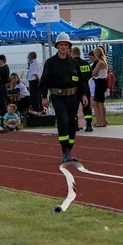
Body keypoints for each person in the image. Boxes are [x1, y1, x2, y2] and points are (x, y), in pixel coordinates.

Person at [39, 32, 89, 163]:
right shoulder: (50, 63)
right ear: (57, 46)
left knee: (72, 123)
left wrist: (83, 94)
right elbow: (44, 81)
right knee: (63, 121)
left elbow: (82, 81)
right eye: (61, 44)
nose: (63, 47)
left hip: (73, 97)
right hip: (58, 97)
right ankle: (64, 151)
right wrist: (44, 97)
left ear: (69, 47)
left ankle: (69, 149)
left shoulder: (73, 63)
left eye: (66, 45)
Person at [71, 46, 94, 132]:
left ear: (72, 53)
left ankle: (76, 125)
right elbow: (89, 75)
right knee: (87, 107)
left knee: (74, 108)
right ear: (80, 53)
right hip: (85, 87)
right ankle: (89, 125)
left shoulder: (72, 63)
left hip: (75, 88)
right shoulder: (85, 63)